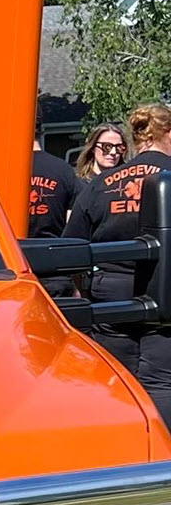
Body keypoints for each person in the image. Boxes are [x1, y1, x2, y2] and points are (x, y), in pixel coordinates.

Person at [63, 103, 171, 425]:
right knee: (162, 383)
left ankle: (121, 456)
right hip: (165, 295)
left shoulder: (101, 183)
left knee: (115, 382)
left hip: (112, 298)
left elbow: (71, 247)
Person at [29, 135, 80, 296]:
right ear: (41, 131)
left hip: (13, 268)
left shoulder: (1, 168)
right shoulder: (63, 170)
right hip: (54, 267)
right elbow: (73, 226)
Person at [74, 122, 129, 196]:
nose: (113, 152)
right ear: (93, 148)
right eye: (107, 147)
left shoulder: (127, 182)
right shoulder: (78, 184)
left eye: (119, 147)